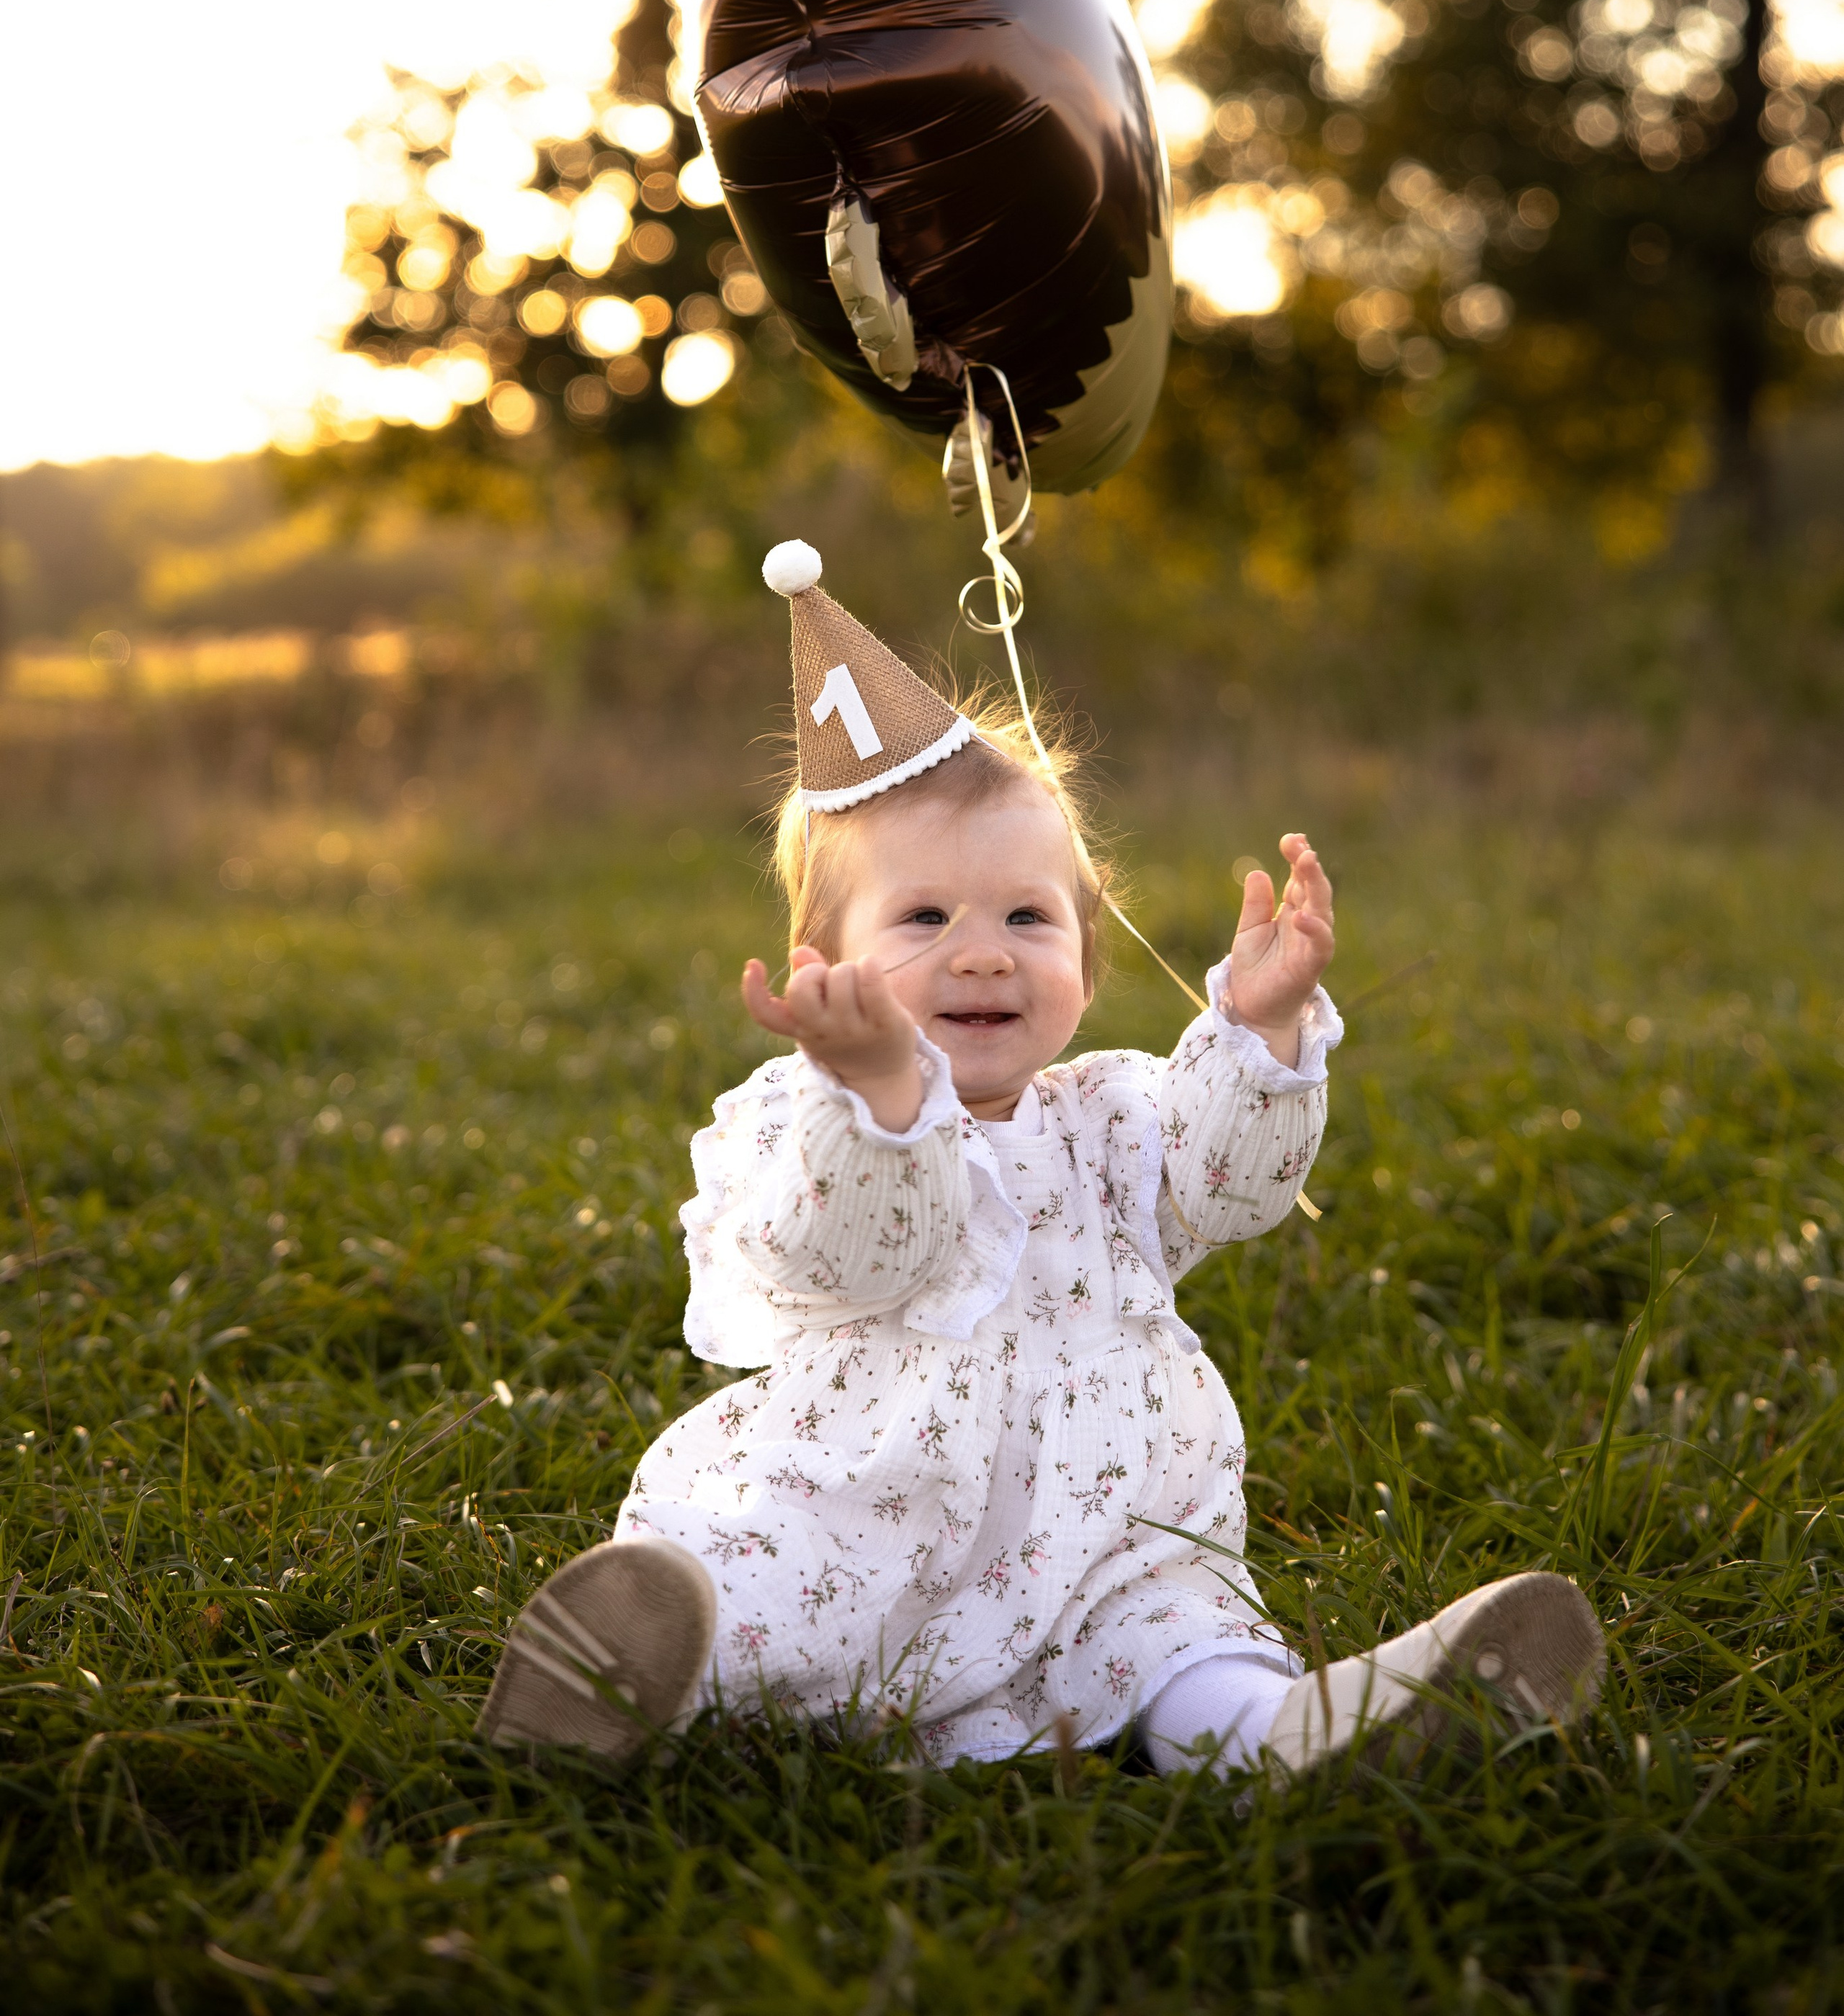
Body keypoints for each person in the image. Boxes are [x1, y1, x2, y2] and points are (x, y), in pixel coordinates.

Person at [478, 543, 1604, 1779]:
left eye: (1027, 917)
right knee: (776, 1601)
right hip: (870, 1506)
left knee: (1177, 1630)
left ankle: (1289, 1739)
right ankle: (633, 1684)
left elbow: (1233, 1188)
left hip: (1103, 1522)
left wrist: (1263, 1026)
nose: (983, 954)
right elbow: (843, 1247)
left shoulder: (1114, 1110)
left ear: (1086, 947)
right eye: (924, 919)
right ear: (819, 962)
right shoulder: (799, 1117)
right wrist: (883, 1097)